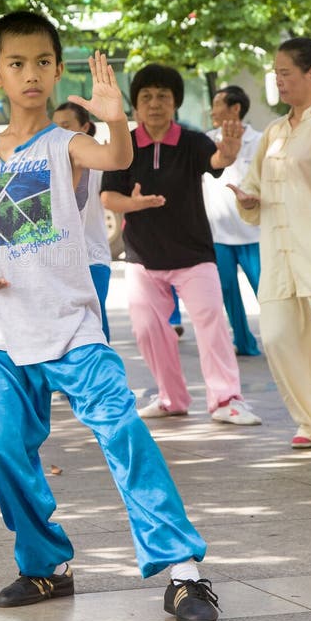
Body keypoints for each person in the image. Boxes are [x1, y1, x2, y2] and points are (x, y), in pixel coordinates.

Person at [0, 11, 220, 621]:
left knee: (124, 435)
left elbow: (117, 153)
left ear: (55, 70)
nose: (31, 74)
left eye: (43, 62)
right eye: (16, 63)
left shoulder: (64, 144)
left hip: (73, 329)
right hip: (3, 336)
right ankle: (46, 564)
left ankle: (183, 572)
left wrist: (115, 114)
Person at [101, 63, 260, 426]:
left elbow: (216, 160)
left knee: (211, 323)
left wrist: (230, 152)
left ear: (175, 103)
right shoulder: (124, 144)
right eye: (146, 97)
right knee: (147, 330)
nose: (154, 103)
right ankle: (171, 398)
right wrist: (134, 204)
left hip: (193, 254)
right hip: (143, 256)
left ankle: (226, 400)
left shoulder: (190, 141)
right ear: (135, 105)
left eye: (163, 96)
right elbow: (109, 197)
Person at [230, 38, 311, 449]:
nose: (278, 80)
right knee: (276, 337)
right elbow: (253, 190)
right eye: (276, 72)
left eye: (286, 72)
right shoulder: (273, 133)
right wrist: (248, 200)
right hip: (278, 257)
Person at [203, 85, 262, 356]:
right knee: (227, 290)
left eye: (218, 103)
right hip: (218, 235)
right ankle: (244, 342)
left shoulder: (261, 141)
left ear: (235, 108)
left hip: (254, 234)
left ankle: (284, 340)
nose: (212, 110)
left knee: (267, 292)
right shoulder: (206, 142)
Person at [52, 102, 112, 341]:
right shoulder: (48, 165)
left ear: (85, 127)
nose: (58, 133)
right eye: (54, 127)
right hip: (56, 262)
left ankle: (104, 375)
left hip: (92, 258)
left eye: (65, 126)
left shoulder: (99, 165)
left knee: (94, 323)